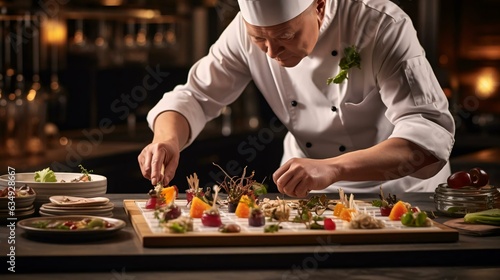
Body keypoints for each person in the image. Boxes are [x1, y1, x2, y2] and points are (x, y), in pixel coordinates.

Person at [138, 0, 455, 198]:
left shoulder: (382, 25)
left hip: (402, 196)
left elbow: (427, 139)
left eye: (285, 36)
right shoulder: (244, 32)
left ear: (319, 7)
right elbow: (194, 96)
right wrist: (166, 141)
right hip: (310, 194)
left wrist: (332, 169)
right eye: (259, 39)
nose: (272, 53)